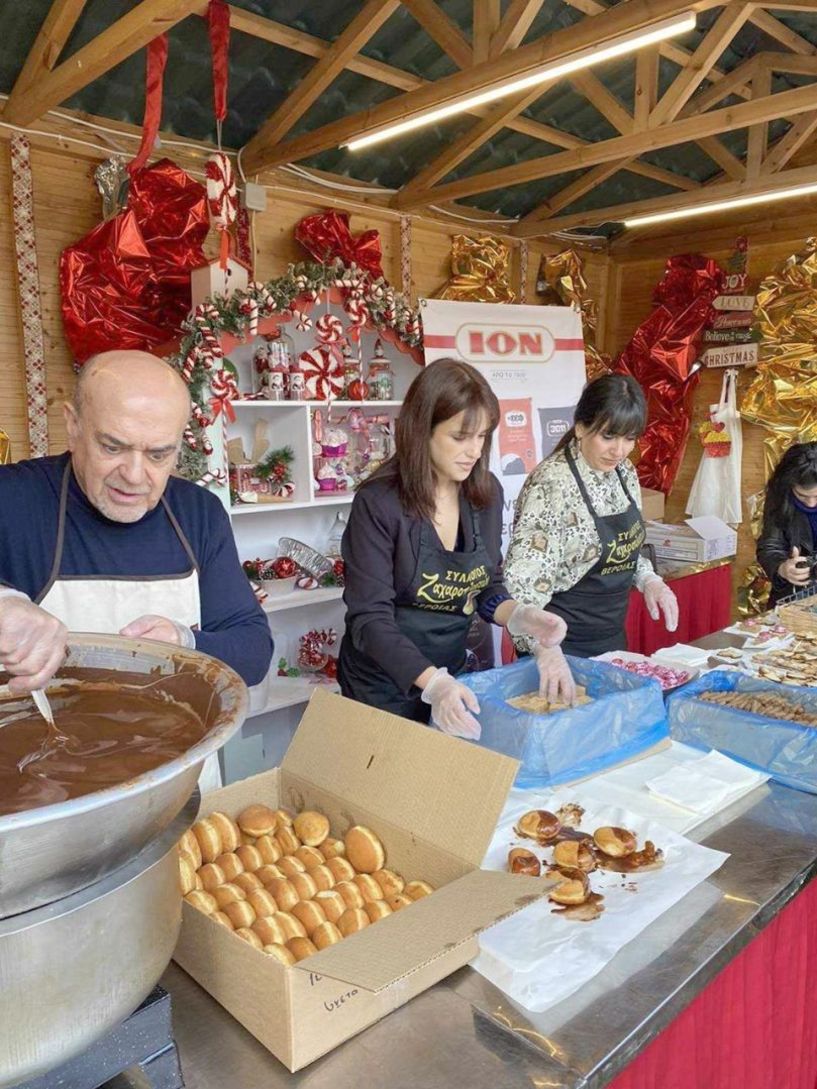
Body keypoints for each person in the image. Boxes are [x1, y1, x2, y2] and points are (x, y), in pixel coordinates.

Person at [0, 350, 273, 718]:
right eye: (112, 447)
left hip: (180, 765)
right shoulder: (14, 499)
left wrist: (185, 643)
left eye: (158, 454)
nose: (133, 474)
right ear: (73, 426)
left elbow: (254, 650)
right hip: (38, 764)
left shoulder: (199, 514)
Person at [338, 358, 571, 740]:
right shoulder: (379, 504)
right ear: (421, 430)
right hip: (381, 686)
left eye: (482, 437)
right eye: (460, 437)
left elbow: (487, 586)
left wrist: (520, 616)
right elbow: (369, 621)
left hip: (451, 674)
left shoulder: (485, 494)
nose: (473, 451)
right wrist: (433, 685)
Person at [505, 373, 678, 659]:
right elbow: (522, 587)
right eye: (608, 436)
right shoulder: (551, 484)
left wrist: (649, 580)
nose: (619, 450)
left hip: (611, 640)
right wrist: (541, 649)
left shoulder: (624, 473)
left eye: (629, 438)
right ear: (581, 427)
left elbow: (624, 550)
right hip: (559, 647)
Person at [757, 441, 817, 606]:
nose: (811, 504)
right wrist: (782, 568)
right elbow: (770, 545)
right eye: (802, 495)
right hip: (796, 598)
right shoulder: (781, 495)